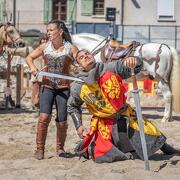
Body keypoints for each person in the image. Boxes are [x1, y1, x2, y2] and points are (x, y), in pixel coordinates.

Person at [67, 49, 180, 163]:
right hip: (105, 123)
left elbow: (134, 68)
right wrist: (78, 126)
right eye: (81, 57)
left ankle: (164, 146)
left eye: (87, 53)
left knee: (148, 130)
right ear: (79, 65)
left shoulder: (111, 67)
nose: (86, 57)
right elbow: (72, 106)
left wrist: (134, 61)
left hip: (125, 115)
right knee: (101, 153)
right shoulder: (78, 86)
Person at [26, 20, 79, 160]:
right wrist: (32, 68)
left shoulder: (71, 48)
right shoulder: (44, 47)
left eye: (51, 30)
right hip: (47, 86)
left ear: (60, 32)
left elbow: (81, 62)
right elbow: (29, 57)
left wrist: (81, 66)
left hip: (63, 88)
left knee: (62, 121)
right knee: (43, 117)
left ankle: (60, 149)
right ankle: (39, 149)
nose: (48, 32)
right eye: (47, 30)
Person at [31, 33, 48, 110]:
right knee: (36, 93)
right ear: (40, 40)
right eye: (43, 39)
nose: (44, 40)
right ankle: (35, 105)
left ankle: (42, 108)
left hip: (46, 75)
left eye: (46, 39)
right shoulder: (36, 50)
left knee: (44, 93)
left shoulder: (49, 50)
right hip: (37, 75)